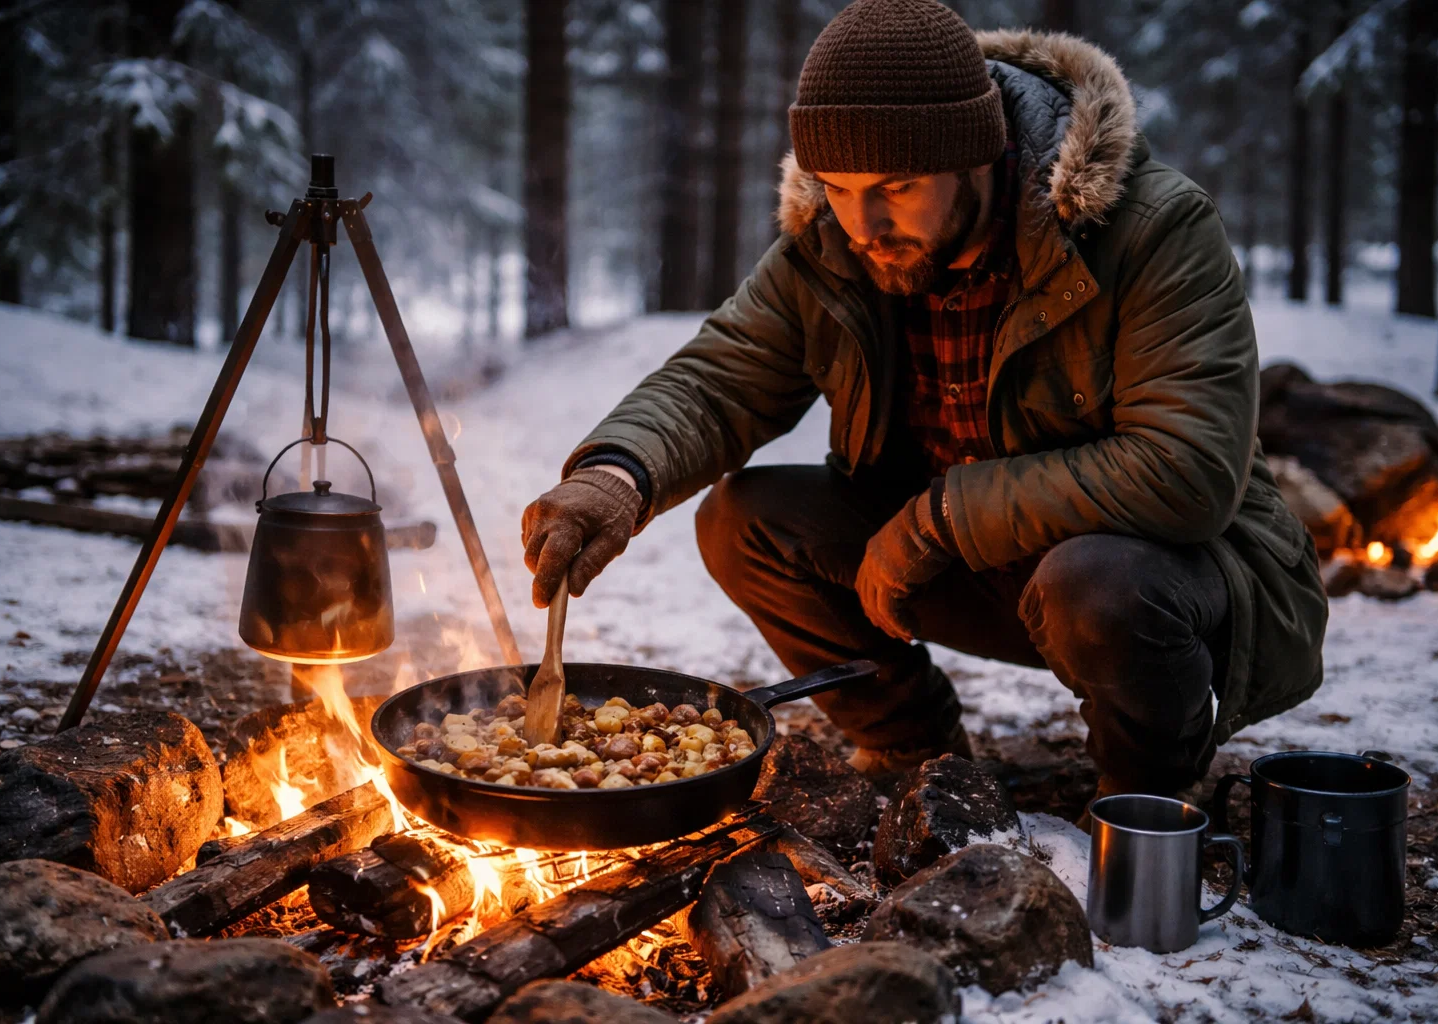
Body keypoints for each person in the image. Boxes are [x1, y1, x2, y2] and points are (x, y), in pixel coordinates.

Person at [521, 0, 1328, 812]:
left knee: (1098, 585)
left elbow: (1188, 472)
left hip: (1155, 584)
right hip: (962, 571)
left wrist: (941, 518)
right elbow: (721, 377)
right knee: (743, 520)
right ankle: (915, 750)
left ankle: (1148, 794)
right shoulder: (833, 242)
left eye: (897, 187)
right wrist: (617, 474)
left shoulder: (1150, 228)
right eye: (836, 187)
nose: (864, 221)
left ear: (979, 154)